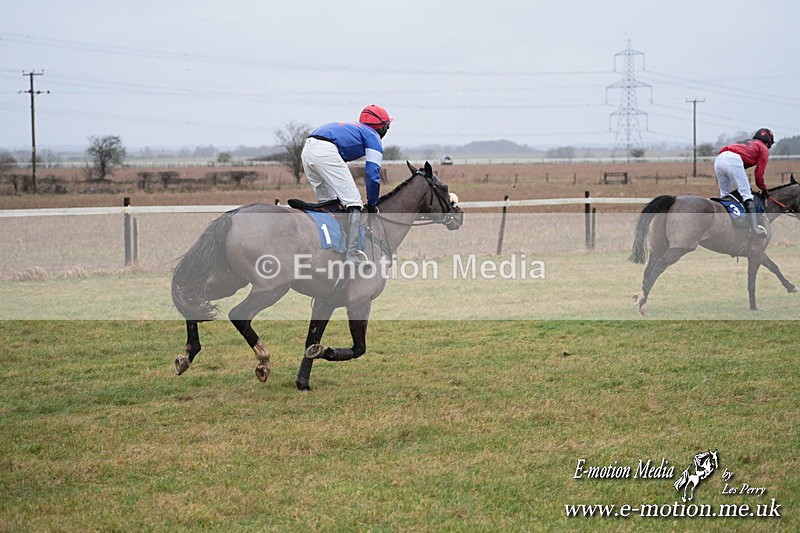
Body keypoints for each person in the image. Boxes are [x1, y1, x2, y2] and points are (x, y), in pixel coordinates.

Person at [301, 105, 393, 263]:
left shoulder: (356, 129)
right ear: (383, 128)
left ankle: (330, 249)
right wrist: (372, 203)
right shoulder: (373, 137)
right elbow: (372, 174)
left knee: (329, 204)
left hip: (307, 150)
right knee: (354, 203)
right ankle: (352, 254)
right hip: (326, 151)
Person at [714, 128, 775, 237]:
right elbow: (759, 175)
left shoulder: (749, 142)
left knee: (725, 195)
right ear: (768, 142)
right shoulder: (763, 148)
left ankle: (724, 224)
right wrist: (764, 189)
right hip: (733, 160)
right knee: (747, 195)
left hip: (719, 159)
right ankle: (755, 228)